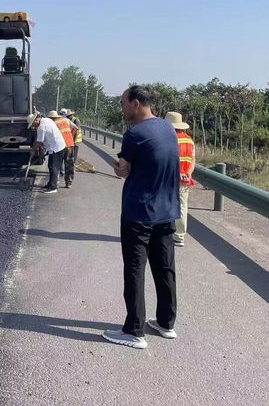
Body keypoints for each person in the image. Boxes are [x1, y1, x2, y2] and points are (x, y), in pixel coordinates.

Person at [103, 85, 180, 349]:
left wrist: (118, 167)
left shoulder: (134, 134)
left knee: (135, 269)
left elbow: (123, 171)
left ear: (136, 103)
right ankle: (166, 323)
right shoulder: (167, 128)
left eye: (124, 103)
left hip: (139, 213)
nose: (122, 109)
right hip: (167, 211)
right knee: (164, 268)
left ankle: (134, 330)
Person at [165, 111, 195, 248]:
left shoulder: (168, 138)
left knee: (164, 204)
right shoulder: (189, 140)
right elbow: (193, 160)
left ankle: (163, 233)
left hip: (169, 177)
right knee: (182, 206)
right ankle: (179, 236)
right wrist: (187, 173)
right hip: (184, 179)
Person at [27, 112, 66, 194]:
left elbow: (38, 142)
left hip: (56, 148)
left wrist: (33, 150)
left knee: (53, 167)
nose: (33, 126)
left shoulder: (41, 127)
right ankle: (50, 184)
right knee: (52, 166)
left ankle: (53, 187)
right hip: (58, 146)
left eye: (33, 124)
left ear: (36, 120)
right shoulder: (47, 120)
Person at [47, 110, 76, 188]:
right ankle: (68, 182)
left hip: (61, 146)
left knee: (56, 165)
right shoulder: (66, 120)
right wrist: (72, 138)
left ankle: (55, 182)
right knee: (69, 164)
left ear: (51, 118)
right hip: (70, 144)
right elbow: (76, 128)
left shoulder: (53, 124)